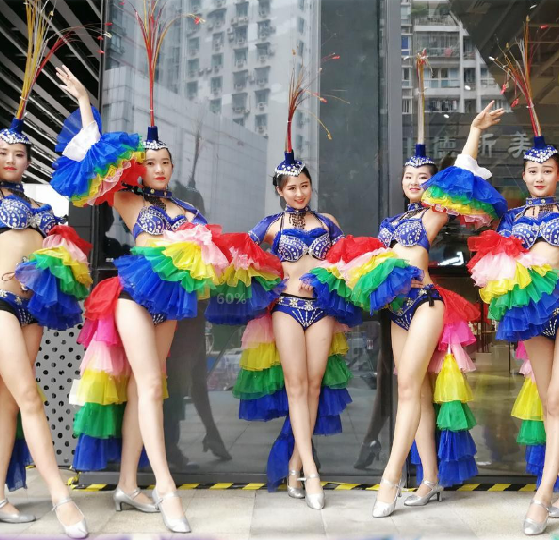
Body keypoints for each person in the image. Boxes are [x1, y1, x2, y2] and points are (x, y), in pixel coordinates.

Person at [0, 5, 93, 536]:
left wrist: (83, 103)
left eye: (20, 152)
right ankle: (61, 498)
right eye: (3, 151)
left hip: (30, 307)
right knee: (30, 396)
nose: (12, 158)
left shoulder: (38, 203)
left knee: (9, 403)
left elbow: (89, 163)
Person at [467, 23, 559, 535]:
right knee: (549, 402)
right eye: (533, 172)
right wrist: (476, 133)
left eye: (548, 171)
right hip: (533, 312)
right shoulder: (511, 217)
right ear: (523, 175)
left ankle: (542, 497)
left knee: (558, 400)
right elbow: (460, 187)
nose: (539, 177)